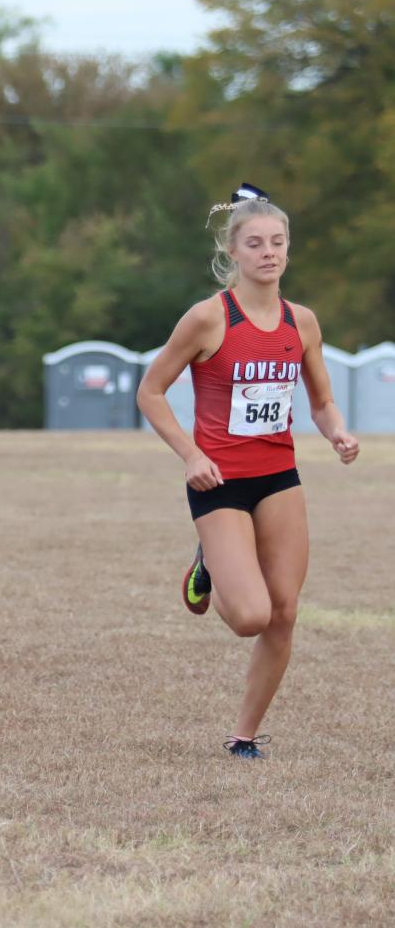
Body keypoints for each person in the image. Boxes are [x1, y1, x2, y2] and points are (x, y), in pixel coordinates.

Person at [137, 184, 359, 759]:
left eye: (278, 242)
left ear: (289, 249)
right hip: (219, 483)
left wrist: (336, 431)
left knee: (283, 612)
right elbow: (151, 391)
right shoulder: (209, 319)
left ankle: (243, 736)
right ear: (233, 251)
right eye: (255, 243)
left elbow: (321, 401)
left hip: (279, 476)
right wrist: (191, 455)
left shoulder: (302, 323)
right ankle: (209, 556)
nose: (269, 252)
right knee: (249, 617)